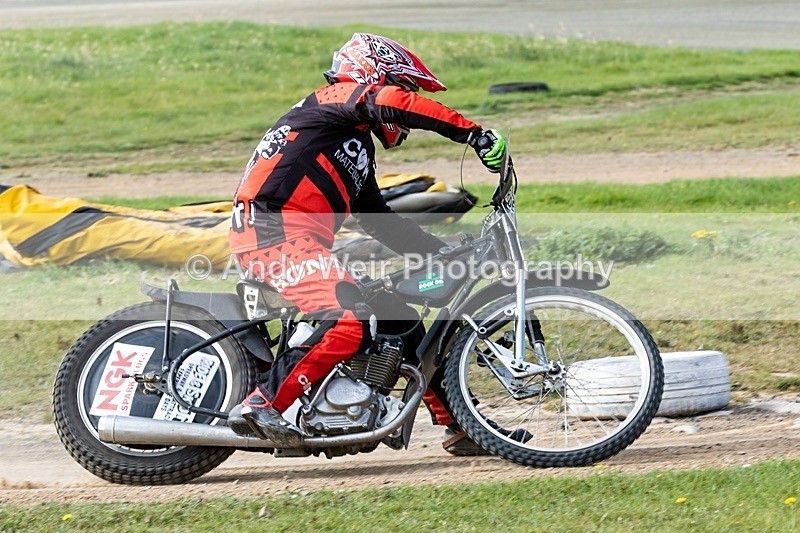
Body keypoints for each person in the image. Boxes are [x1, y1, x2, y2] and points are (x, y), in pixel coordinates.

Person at [227, 33, 506, 454]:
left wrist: (443, 253)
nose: (405, 101)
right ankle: (263, 403)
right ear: (373, 74)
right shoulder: (330, 100)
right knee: (348, 316)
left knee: (402, 321)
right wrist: (473, 133)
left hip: (295, 239)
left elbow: (383, 225)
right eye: (402, 85)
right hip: (272, 233)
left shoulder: (351, 144)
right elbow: (393, 103)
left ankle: (461, 427)